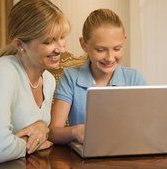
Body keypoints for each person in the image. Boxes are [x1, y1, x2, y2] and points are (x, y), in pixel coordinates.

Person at [0, 0, 70, 165]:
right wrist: (35, 141)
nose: (60, 48)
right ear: (20, 45)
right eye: (48, 41)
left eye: (61, 37)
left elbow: (38, 132)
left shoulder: (48, 80)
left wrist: (42, 127)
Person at [49, 9, 146, 144]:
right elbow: (53, 132)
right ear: (84, 44)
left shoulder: (134, 78)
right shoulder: (70, 78)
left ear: (124, 41)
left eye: (117, 49)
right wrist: (75, 131)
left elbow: (148, 124)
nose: (110, 58)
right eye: (100, 50)